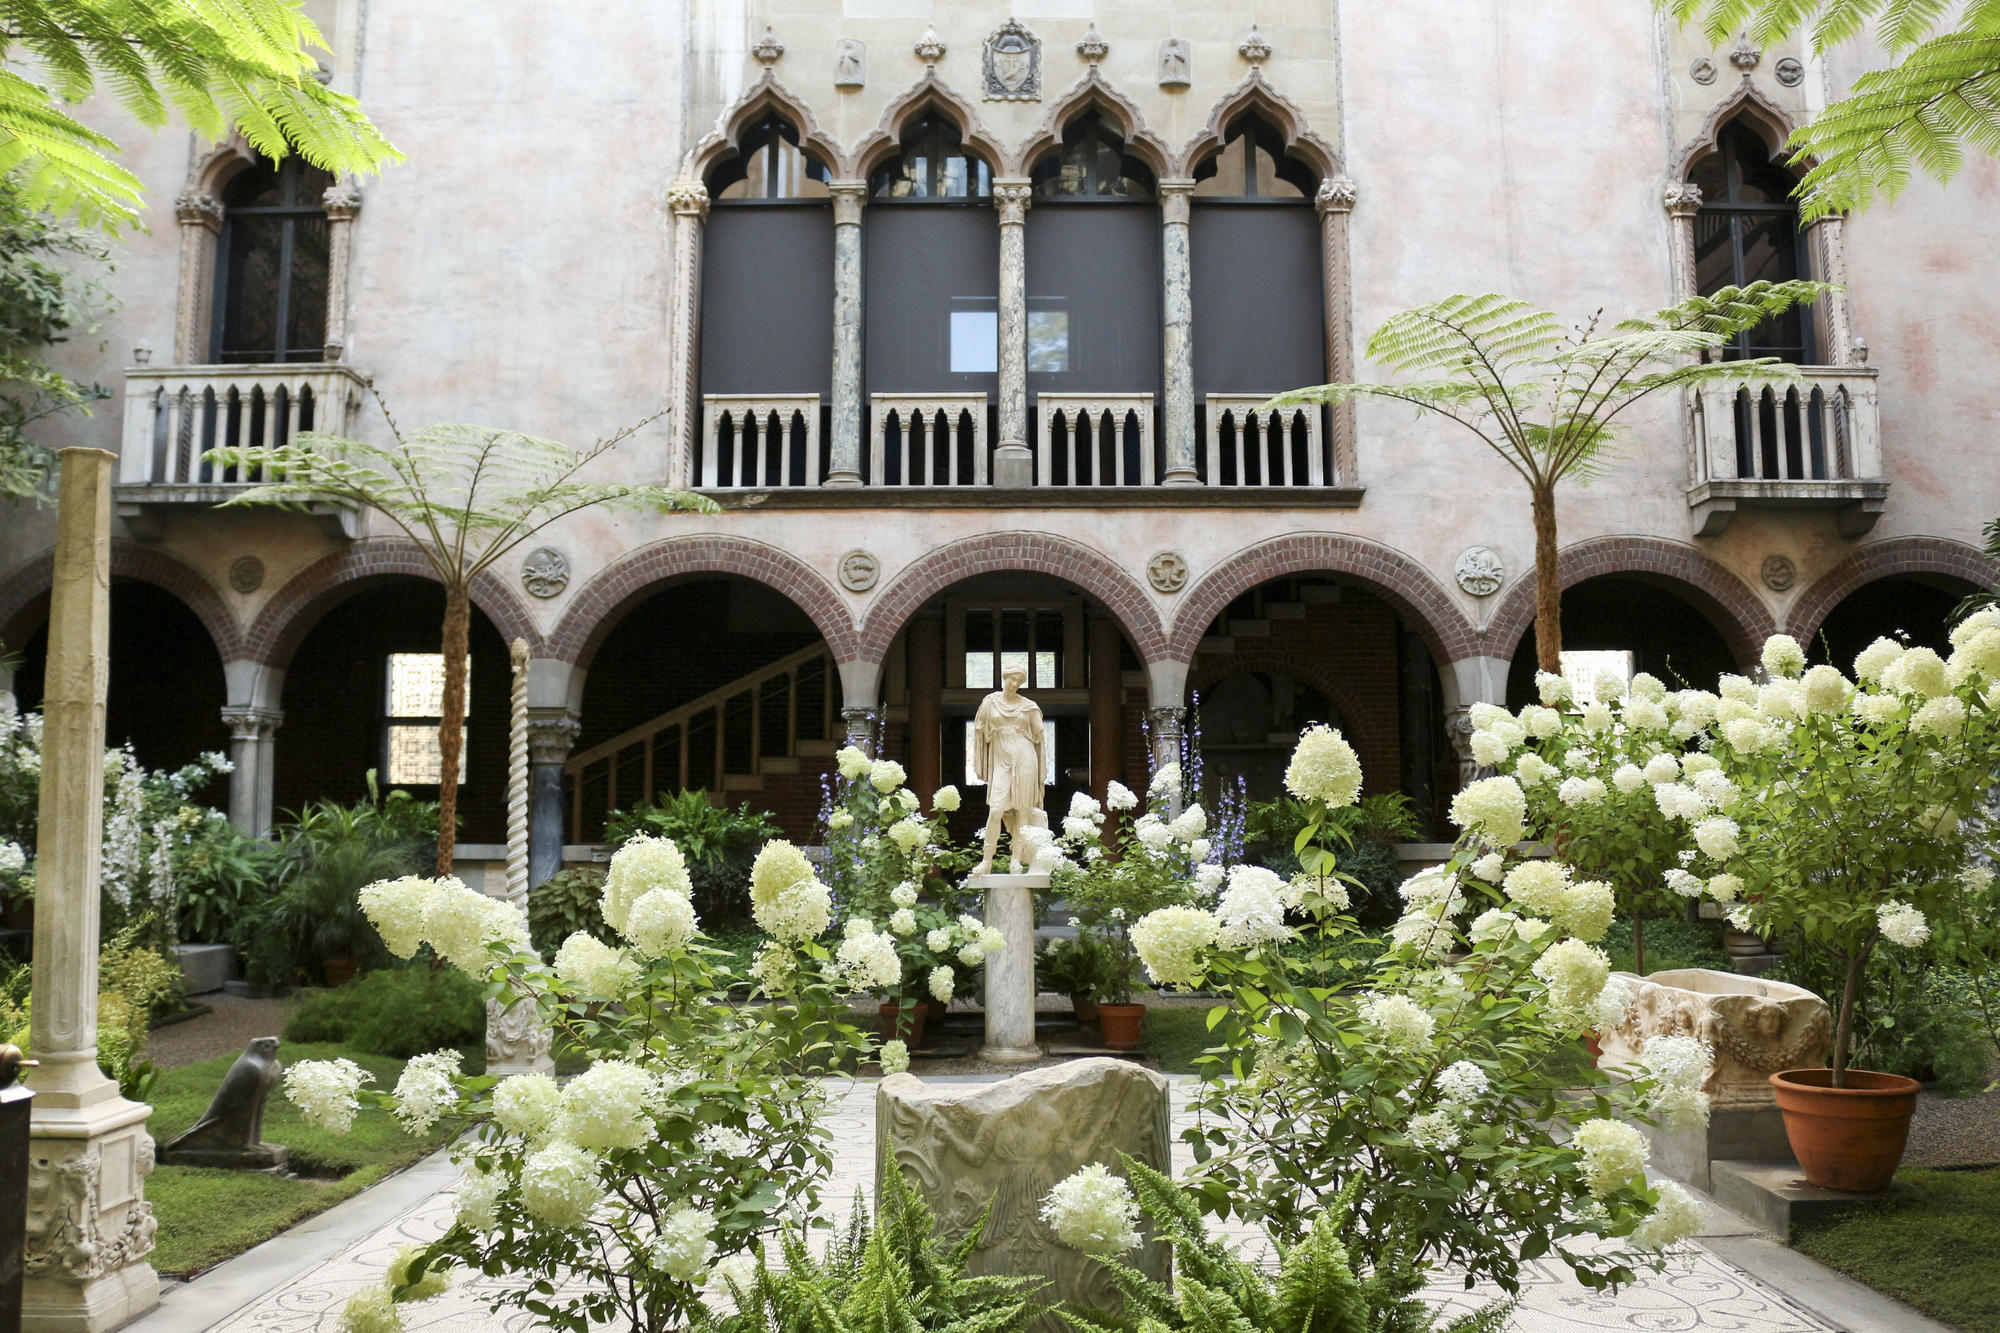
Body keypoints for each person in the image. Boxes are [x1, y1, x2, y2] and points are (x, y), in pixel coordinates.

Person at [971, 664, 1046, 875]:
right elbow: (980, 729)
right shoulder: (990, 702)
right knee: (995, 810)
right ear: (1005, 678)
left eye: (1019, 681)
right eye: (1012, 679)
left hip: (1024, 756)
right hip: (1001, 757)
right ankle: (986, 860)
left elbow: (1039, 736)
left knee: (1023, 809)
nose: (1014, 684)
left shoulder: (1029, 706)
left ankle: (1016, 860)